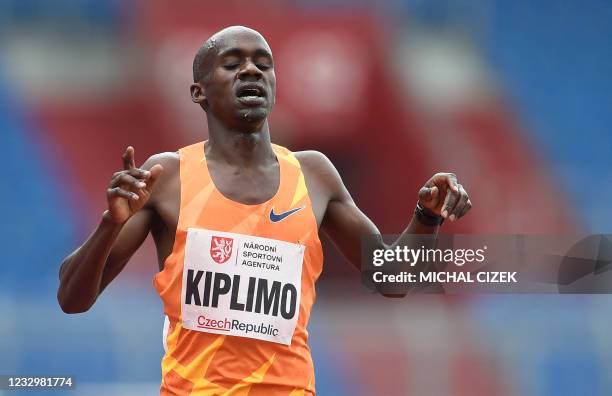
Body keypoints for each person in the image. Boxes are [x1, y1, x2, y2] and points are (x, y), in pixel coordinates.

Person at [57, 25, 471, 395]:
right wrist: (109, 224)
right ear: (199, 92)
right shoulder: (168, 177)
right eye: (232, 63)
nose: (252, 71)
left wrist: (427, 216)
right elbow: (73, 298)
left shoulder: (313, 175)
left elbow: (392, 280)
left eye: (263, 63)